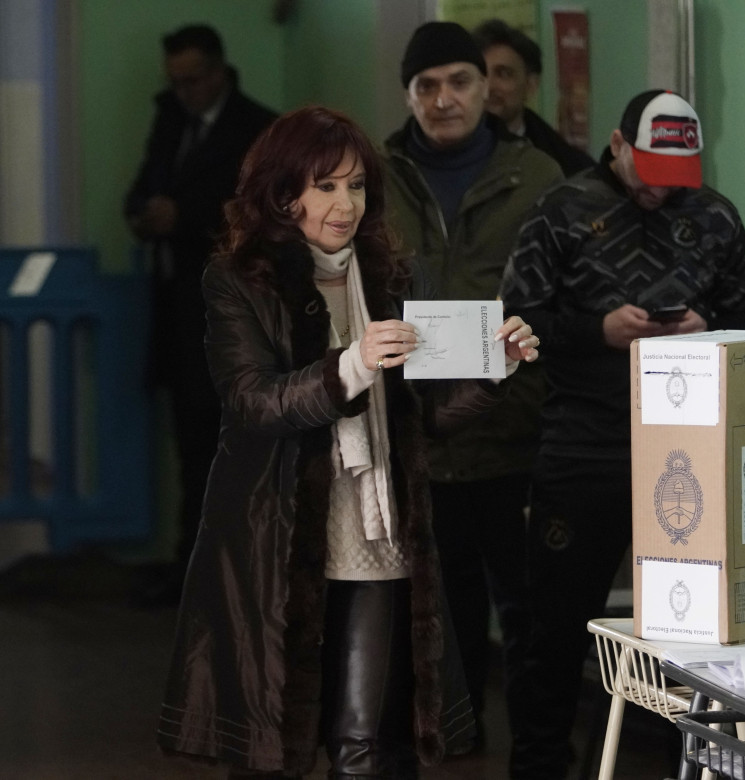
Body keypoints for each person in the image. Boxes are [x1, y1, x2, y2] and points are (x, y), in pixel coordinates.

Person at [155, 106, 542, 778]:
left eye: (357, 186)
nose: (345, 204)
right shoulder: (237, 279)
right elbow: (253, 402)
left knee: (368, 745)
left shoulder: (398, 276)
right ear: (282, 193)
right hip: (276, 535)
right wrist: (351, 364)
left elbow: (429, 417)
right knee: (273, 749)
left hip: (379, 533)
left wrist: (493, 371)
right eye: (325, 186)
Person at [500, 89, 745, 779]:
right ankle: (540, 767)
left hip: (691, 450)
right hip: (582, 445)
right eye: (647, 172)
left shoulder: (713, 215)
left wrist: (706, 329)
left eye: (672, 178)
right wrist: (598, 332)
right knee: (555, 630)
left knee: (702, 631)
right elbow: (514, 324)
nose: (659, 191)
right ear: (618, 145)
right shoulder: (561, 211)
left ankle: (703, 765)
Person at [382, 20, 563, 749]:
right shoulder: (377, 177)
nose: (444, 99)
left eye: (459, 82)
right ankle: (455, 745)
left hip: (515, 433)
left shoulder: (541, 178)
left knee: (527, 612)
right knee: (437, 613)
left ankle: (536, 754)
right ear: (409, 95)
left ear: (487, 87)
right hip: (420, 434)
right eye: (427, 86)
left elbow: (561, 303)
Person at [124, 24, 277, 605]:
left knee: (228, 448)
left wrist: (180, 216)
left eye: (192, 80)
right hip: (175, 309)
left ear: (218, 71)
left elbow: (260, 219)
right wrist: (144, 213)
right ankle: (192, 567)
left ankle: (227, 573)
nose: (184, 91)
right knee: (191, 445)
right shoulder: (172, 119)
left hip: (227, 313)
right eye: (176, 82)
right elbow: (140, 189)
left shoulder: (257, 128)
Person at [472, 18, 595, 177]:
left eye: (503, 74)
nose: (488, 87)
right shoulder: (443, 151)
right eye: (480, 74)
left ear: (531, 85)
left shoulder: (568, 165)